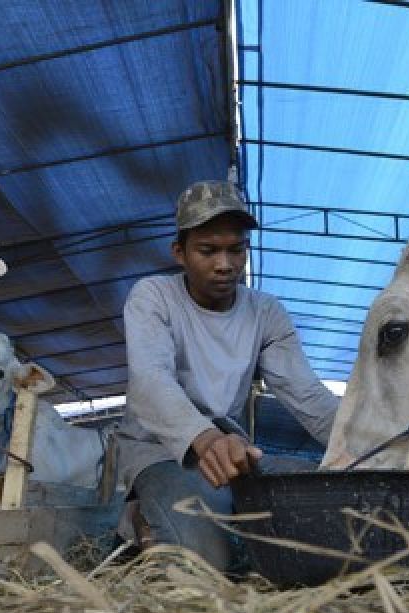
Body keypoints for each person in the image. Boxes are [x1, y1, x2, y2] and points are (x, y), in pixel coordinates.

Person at [115, 180, 340, 574]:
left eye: (236, 250)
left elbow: (308, 396)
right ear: (179, 253)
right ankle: (139, 519)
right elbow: (150, 380)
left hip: (231, 452)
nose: (225, 264)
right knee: (200, 562)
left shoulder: (266, 312)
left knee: (329, 496)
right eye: (208, 250)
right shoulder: (152, 297)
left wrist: (367, 446)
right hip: (163, 450)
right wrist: (205, 439)